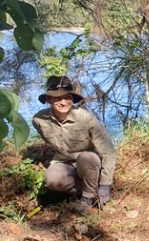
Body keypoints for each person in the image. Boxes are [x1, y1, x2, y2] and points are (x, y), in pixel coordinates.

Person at [32, 75, 117, 213]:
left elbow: (108, 151)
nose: (63, 102)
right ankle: (82, 190)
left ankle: (88, 197)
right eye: (58, 98)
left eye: (67, 97)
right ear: (48, 99)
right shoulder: (39, 120)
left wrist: (105, 184)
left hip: (89, 162)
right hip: (64, 161)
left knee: (87, 158)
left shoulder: (86, 118)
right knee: (52, 180)